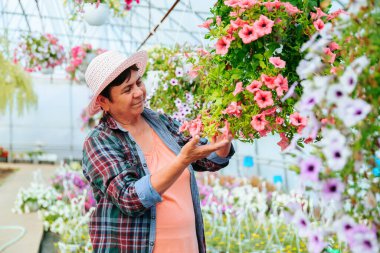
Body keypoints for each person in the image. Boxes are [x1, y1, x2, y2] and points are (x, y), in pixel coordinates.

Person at [82, 50, 234, 253]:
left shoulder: (161, 122)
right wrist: (181, 161)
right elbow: (130, 198)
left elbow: (206, 160)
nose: (138, 92)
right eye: (127, 90)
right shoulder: (100, 141)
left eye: (138, 82)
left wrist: (221, 145)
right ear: (103, 101)